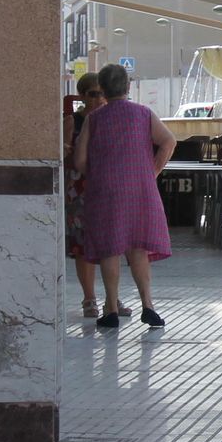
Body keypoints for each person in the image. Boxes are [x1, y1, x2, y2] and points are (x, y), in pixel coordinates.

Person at [73, 63, 177, 330]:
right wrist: (152, 172)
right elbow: (168, 141)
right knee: (138, 248)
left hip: (105, 191)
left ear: (103, 89)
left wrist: (99, 172)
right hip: (140, 189)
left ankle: (110, 309)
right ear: (128, 87)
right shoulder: (143, 114)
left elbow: (80, 160)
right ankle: (148, 306)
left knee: (110, 248)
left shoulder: (94, 119)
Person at [63, 73, 129, 319]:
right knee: (83, 245)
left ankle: (112, 298)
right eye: (93, 94)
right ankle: (89, 298)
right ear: (82, 96)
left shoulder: (110, 118)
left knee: (111, 243)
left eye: (102, 93)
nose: (99, 99)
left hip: (108, 186)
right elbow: (64, 154)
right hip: (80, 188)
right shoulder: (73, 121)